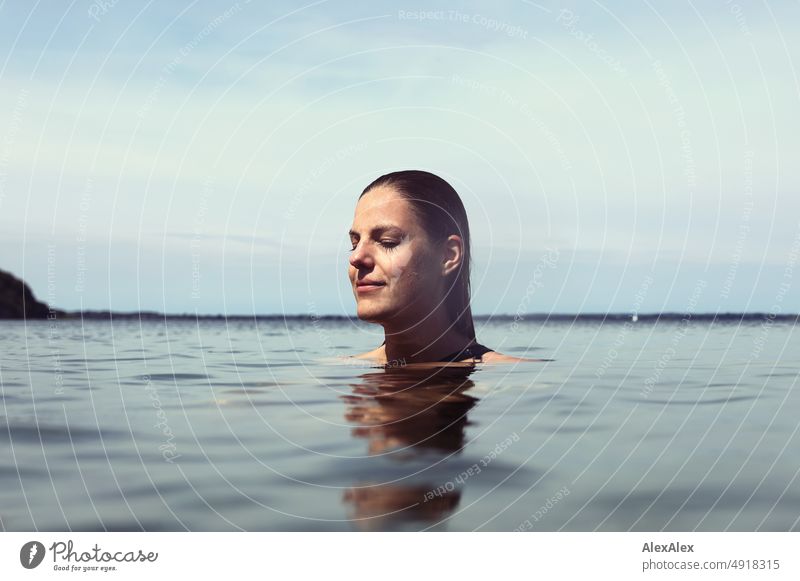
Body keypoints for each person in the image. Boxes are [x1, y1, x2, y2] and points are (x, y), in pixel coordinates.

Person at [346, 169, 536, 365]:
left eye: (388, 242)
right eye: (354, 243)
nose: (356, 257)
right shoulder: (338, 371)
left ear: (448, 256)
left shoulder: (516, 380)